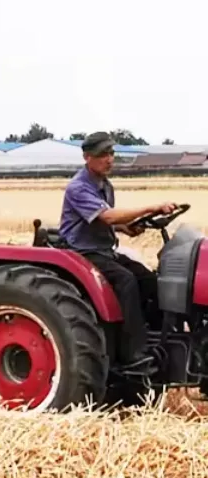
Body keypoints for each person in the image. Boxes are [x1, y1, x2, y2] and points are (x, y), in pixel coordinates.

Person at [59, 132, 177, 373]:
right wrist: (151, 207)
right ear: (87, 157)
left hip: (104, 250)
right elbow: (108, 216)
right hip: (82, 252)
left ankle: (161, 337)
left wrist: (126, 228)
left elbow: (104, 222)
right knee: (126, 280)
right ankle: (132, 352)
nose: (109, 159)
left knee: (149, 280)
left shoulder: (105, 185)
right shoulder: (78, 187)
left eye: (111, 153)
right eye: (103, 154)